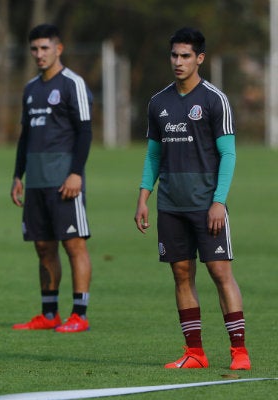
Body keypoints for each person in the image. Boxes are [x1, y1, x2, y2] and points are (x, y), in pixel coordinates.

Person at [134, 27, 250, 370]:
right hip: (170, 205)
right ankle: (194, 352)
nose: (178, 62)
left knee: (219, 272)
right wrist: (143, 197)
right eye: (174, 55)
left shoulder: (215, 99)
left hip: (206, 204)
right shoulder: (158, 102)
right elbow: (153, 156)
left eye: (186, 56)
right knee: (181, 275)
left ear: (200, 58)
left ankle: (239, 352)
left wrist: (219, 201)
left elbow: (228, 155)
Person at [11, 24, 93, 333]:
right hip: (36, 182)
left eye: (45, 48)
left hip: (64, 182)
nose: (39, 54)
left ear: (59, 49)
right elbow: (25, 136)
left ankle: (80, 315)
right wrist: (18, 175)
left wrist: (75, 173)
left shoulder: (74, 84)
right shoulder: (30, 88)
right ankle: (49, 314)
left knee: (74, 246)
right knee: (43, 247)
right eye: (34, 49)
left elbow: (85, 131)